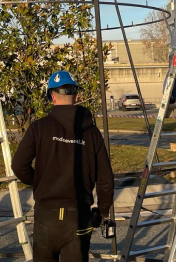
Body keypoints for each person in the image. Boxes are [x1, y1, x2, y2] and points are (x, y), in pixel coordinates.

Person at [12, 71, 114, 262]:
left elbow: (18, 165)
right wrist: (102, 212)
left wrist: (38, 182)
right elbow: (105, 180)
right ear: (76, 96)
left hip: (46, 217)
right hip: (78, 218)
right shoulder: (92, 133)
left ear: (52, 96)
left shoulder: (39, 128)